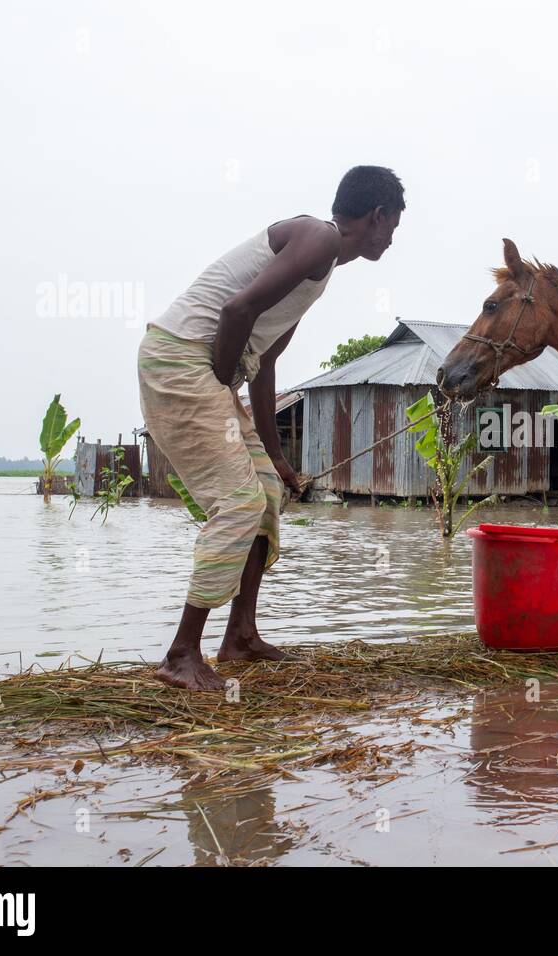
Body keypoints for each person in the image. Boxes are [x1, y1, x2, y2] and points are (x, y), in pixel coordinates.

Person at [137, 166, 404, 689]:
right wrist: (220, 381)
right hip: (181, 358)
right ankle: (181, 655)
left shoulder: (321, 269)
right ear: (377, 215)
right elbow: (237, 310)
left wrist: (277, 457)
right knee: (238, 503)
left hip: (212, 366)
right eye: (393, 224)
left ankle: (240, 636)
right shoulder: (318, 238)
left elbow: (266, 362)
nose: (392, 237)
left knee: (265, 493)